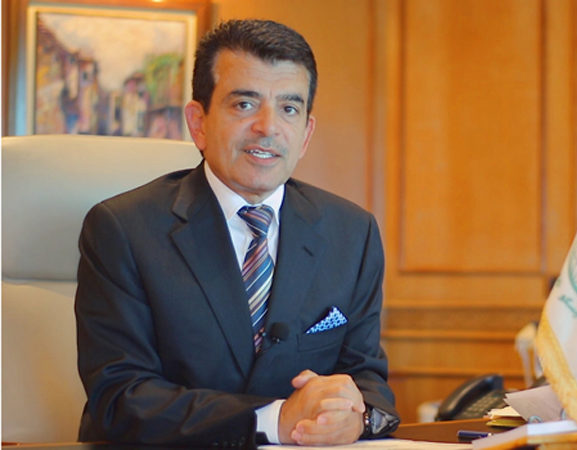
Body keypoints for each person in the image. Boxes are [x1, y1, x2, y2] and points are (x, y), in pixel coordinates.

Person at [75, 19, 399, 448]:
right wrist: (274, 419)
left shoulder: (352, 233)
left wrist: (356, 419)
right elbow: (120, 397)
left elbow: (368, 383)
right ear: (199, 123)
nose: (269, 127)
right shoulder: (123, 229)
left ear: (306, 134)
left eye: (289, 109)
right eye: (245, 104)